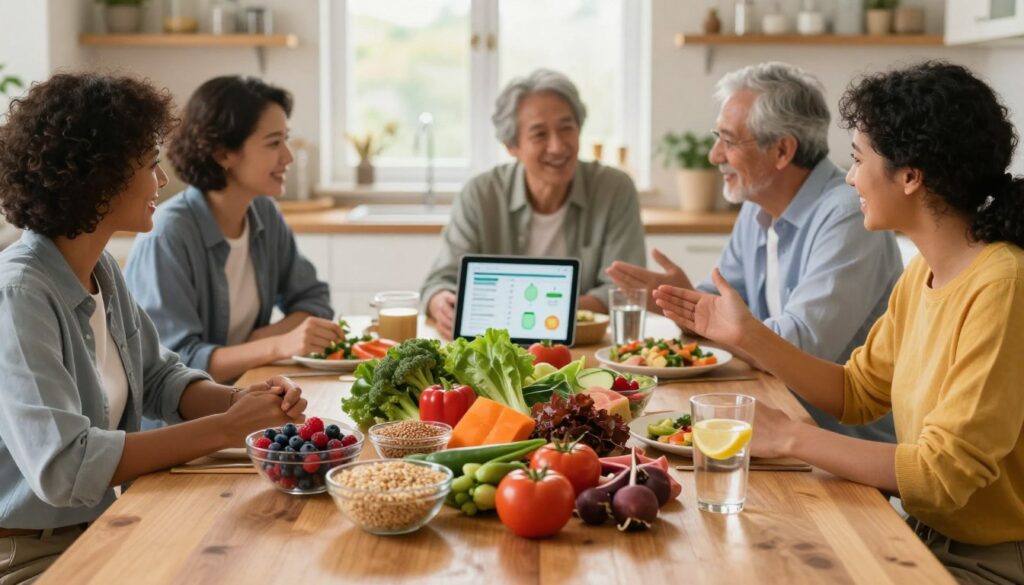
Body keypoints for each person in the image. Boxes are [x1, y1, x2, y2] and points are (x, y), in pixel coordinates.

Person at [655, 62, 1024, 584]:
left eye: (858, 159)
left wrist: (788, 437)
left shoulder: (1001, 285)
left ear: (911, 176)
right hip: (922, 534)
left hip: (986, 561)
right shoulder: (926, 271)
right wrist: (748, 336)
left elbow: (944, 476)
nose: (850, 177)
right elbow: (857, 391)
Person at [0, 72, 307, 582]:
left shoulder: (101, 271)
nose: (160, 181)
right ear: (99, 179)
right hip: (27, 559)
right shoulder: (20, 294)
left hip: (96, 529)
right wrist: (226, 428)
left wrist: (242, 404)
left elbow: (160, 377)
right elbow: (66, 467)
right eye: (148, 165)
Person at [608, 62, 901, 442]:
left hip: (841, 449)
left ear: (782, 150)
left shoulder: (847, 215)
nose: (715, 155)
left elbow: (792, 347)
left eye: (729, 141)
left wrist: (705, 317)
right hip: (776, 422)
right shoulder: (756, 206)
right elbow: (727, 312)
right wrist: (683, 303)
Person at [125, 76, 341, 384]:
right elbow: (176, 363)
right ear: (222, 153)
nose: (288, 156)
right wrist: (276, 344)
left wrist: (265, 336)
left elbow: (314, 300)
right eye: (274, 142)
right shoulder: (170, 233)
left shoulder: (263, 213)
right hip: (182, 425)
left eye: (286, 139)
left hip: (242, 394)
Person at [421, 68, 646, 339]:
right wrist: (439, 302)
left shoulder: (614, 189)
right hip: (494, 352)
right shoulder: (480, 193)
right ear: (511, 146)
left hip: (584, 351)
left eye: (567, 128)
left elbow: (623, 291)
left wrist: (522, 309)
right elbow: (440, 280)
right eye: (539, 134)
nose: (557, 146)